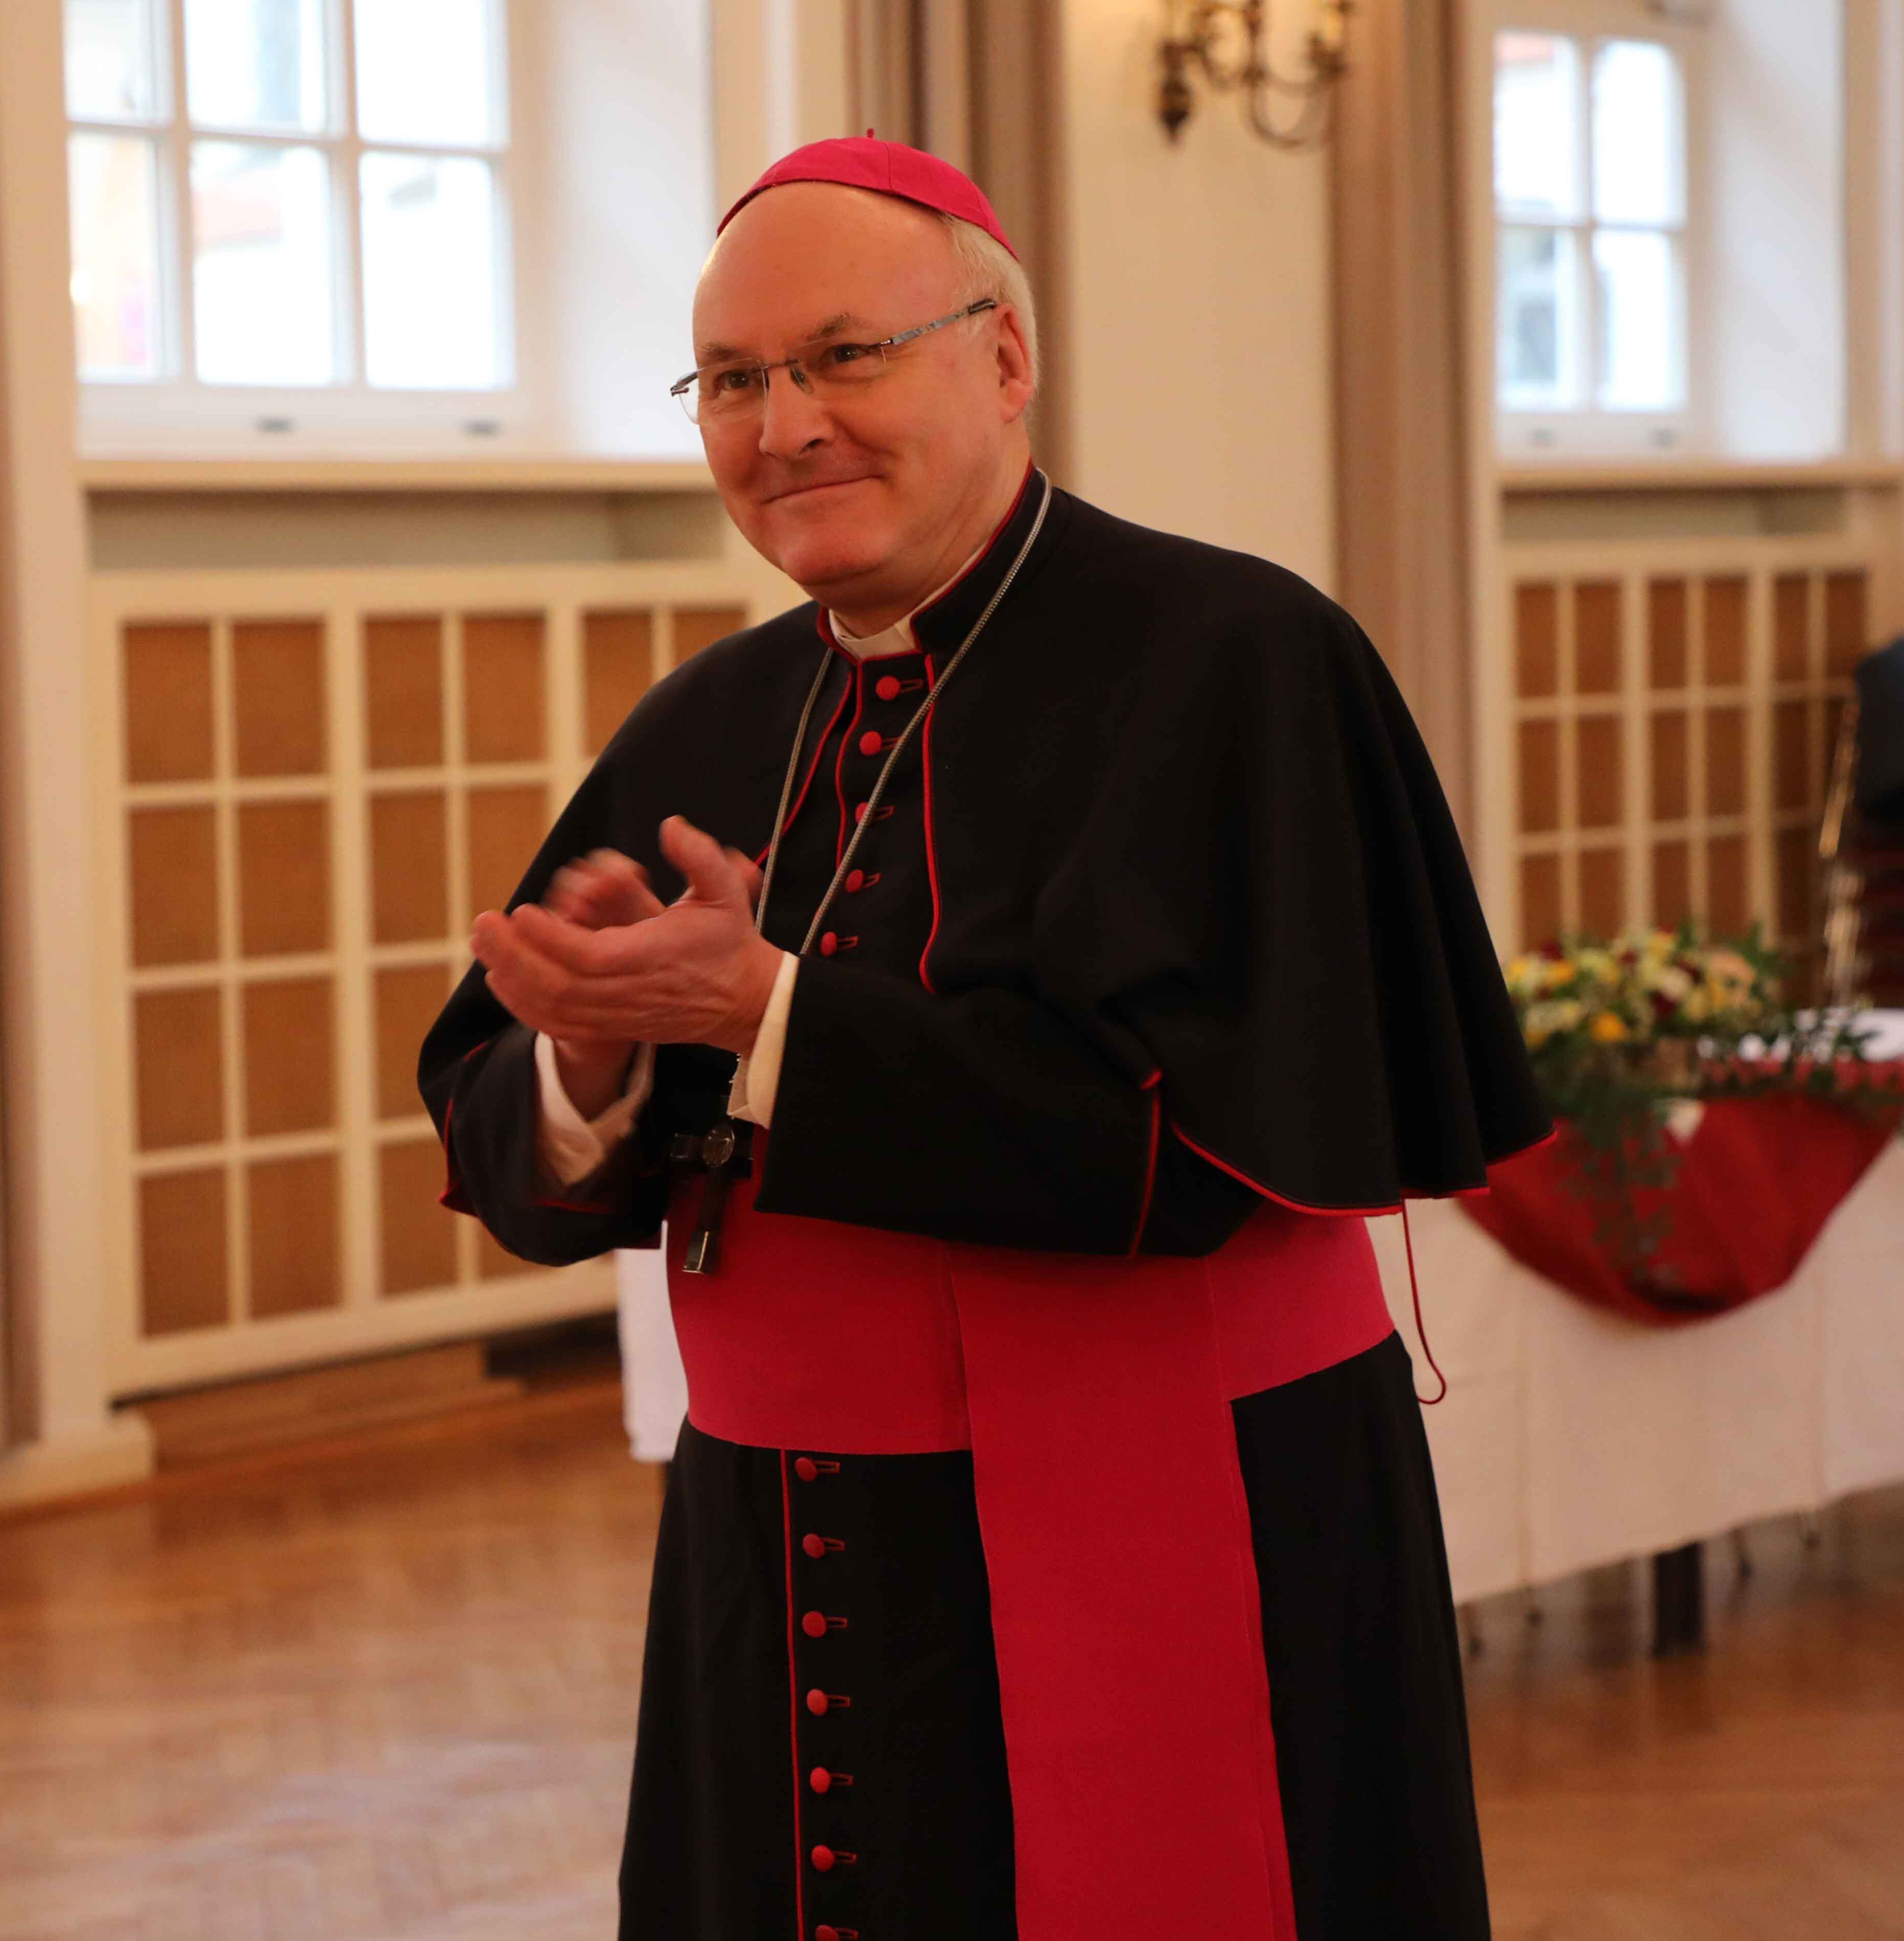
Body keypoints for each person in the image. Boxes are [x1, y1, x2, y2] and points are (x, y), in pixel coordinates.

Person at [416, 136, 1547, 1941]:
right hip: (783, 1537)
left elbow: (1182, 1148)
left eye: (842, 357)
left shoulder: (1237, 656)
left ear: (1006, 360)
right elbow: (500, 1126)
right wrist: (592, 1061)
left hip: (1192, 1524)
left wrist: (766, 1014)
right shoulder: (710, 716)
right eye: (731, 380)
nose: (783, 426)